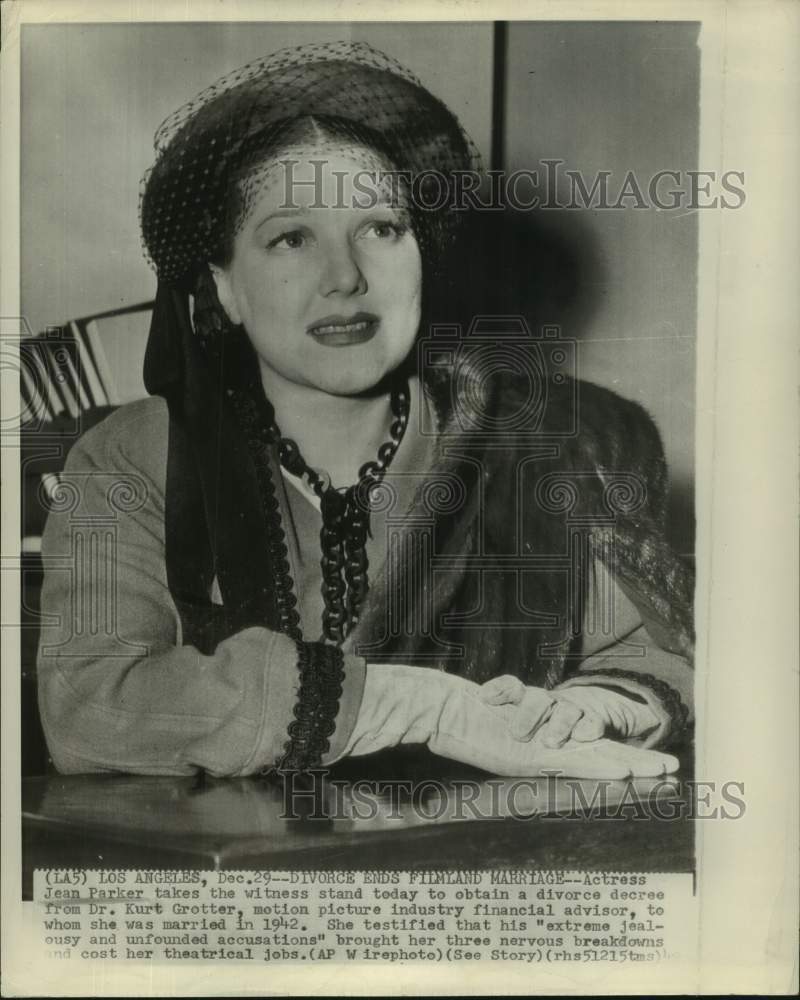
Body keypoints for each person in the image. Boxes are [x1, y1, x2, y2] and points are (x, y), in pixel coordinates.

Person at [36, 41, 693, 781]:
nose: (345, 277)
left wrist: (600, 702)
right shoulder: (129, 457)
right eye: (290, 239)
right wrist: (417, 705)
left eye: (380, 229)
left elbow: (656, 648)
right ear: (222, 286)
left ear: (421, 253)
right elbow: (89, 704)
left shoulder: (535, 445)